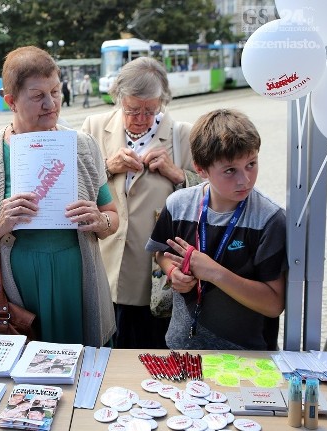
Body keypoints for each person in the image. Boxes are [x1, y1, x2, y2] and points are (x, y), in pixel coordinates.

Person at [0, 46, 117, 347]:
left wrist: (99, 220)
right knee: (26, 372)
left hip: (76, 278)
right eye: (37, 95)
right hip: (16, 287)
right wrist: (1, 224)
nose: (51, 103)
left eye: (55, 91)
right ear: (10, 101)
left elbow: (113, 218)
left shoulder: (83, 146)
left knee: (80, 365)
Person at [81, 57, 201, 349]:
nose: (141, 118)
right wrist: (107, 167)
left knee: (151, 350)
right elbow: (76, 183)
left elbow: (208, 193)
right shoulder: (94, 127)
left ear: (163, 100)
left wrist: (176, 174)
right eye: (132, 110)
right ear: (119, 98)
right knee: (104, 348)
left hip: (156, 272)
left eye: (150, 110)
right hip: (104, 261)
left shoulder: (182, 134)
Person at [146, 109, 287, 350]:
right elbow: (160, 252)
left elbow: (274, 303)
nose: (245, 180)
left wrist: (214, 272)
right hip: (182, 348)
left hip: (247, 358)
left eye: (251, 164)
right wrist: (173, 273)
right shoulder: (178, 204)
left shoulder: (269, 219)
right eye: (230, 170)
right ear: (201, 169)